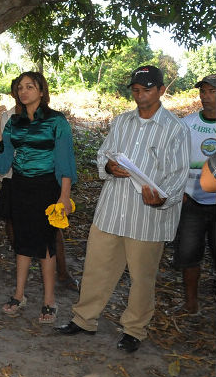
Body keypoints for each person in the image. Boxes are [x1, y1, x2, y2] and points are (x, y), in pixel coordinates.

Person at [56, 65, 190, 353]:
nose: (140, 95)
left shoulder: (175, 128)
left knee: (142, 278)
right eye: (136, 89)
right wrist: (108, 166)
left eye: (147, 89)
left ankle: (134, 330)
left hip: (148, 216)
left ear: (162, 90)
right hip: (112, 209)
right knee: (96, 268)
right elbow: (104, 153)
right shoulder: (122, 121)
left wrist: (163, 198)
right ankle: (84, 319)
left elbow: (178, 174)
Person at [0, 71, 77, 324]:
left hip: (47, 187)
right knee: (22, 242)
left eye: (29, 86)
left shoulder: (56, 121)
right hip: (20, 186)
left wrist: (64, 196)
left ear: (41, 91)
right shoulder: (14, 122)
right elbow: (0, 160)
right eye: (20, 87)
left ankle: (49, 301)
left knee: (46, 245)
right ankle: (19, 295)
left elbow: (65, 160)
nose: (23, 91)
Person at [171, 74, 215, 315]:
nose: (206, 97)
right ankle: (190, 305)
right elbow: (174, 161)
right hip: (192, 201)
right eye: (203, 92)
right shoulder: (186, 124)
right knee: (188, 255)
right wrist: (181, 192)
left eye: (212, 92)